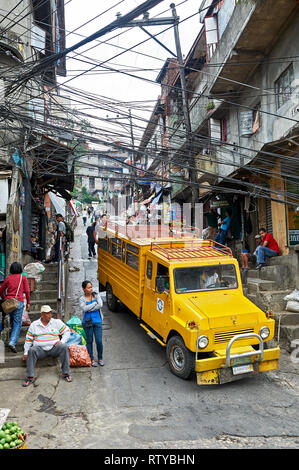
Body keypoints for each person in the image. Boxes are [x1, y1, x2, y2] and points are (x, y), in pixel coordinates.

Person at [22, 305, 71, 386]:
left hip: (54, 348)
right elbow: (28, 340)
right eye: (47, 313)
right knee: (31, 350)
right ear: (42, 314)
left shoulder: (56, 322)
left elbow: (67, 331)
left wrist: (62, 341)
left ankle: (66, 373)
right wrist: (25, 353)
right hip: (40, 350)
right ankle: (30, 377)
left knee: (64, 347)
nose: (50, 315)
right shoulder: (34, 325)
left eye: (50, 313)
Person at [0, 262, 30, 353]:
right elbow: (27, 291)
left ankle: (12, 339)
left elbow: (1, 290)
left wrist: (5, 298)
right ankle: (12, 342)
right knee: (17, 323)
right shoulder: (23, 277)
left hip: (9, 303)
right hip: (18, 302)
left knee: (13, 321)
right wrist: (28, 302)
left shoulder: (8, 278)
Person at [79, 281, 104, 367]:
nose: (90, 289)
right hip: (87, 322)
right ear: (84, 289)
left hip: (98, 321)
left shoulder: (96, 295)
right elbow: (84, 309)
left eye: (91, 287)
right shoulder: (82, 299)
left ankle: (100, 358)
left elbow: (100, 305)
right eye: (88, 287)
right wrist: (94, 303)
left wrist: (89, 308)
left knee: (99, 341)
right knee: (89, 341)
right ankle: (92, 359)